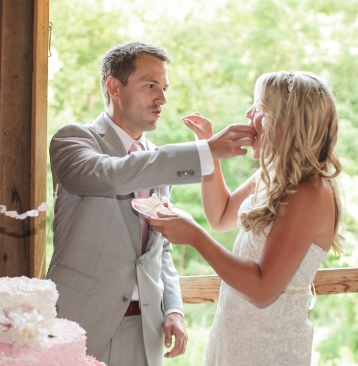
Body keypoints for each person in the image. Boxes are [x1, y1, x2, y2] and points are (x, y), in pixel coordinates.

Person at [46, 41, 253, 366]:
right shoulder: (73, 139)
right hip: (80, 325)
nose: (162, 99)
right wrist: (204, 151)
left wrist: (173, 308)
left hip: (147, 331)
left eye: (164, 88)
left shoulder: (157, 159)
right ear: (114, 86)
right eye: (150, 86)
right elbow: (110, 174)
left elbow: (161, 248)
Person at [149, 71, 343, 365]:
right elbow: (222, 214)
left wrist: (195, 237)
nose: (248, 114)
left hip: (267, 348)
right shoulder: (272, 176)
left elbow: (262, 289)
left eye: (260, 109)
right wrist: (208, 149)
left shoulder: (309, 193)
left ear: (286, 122)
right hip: (233, 340)